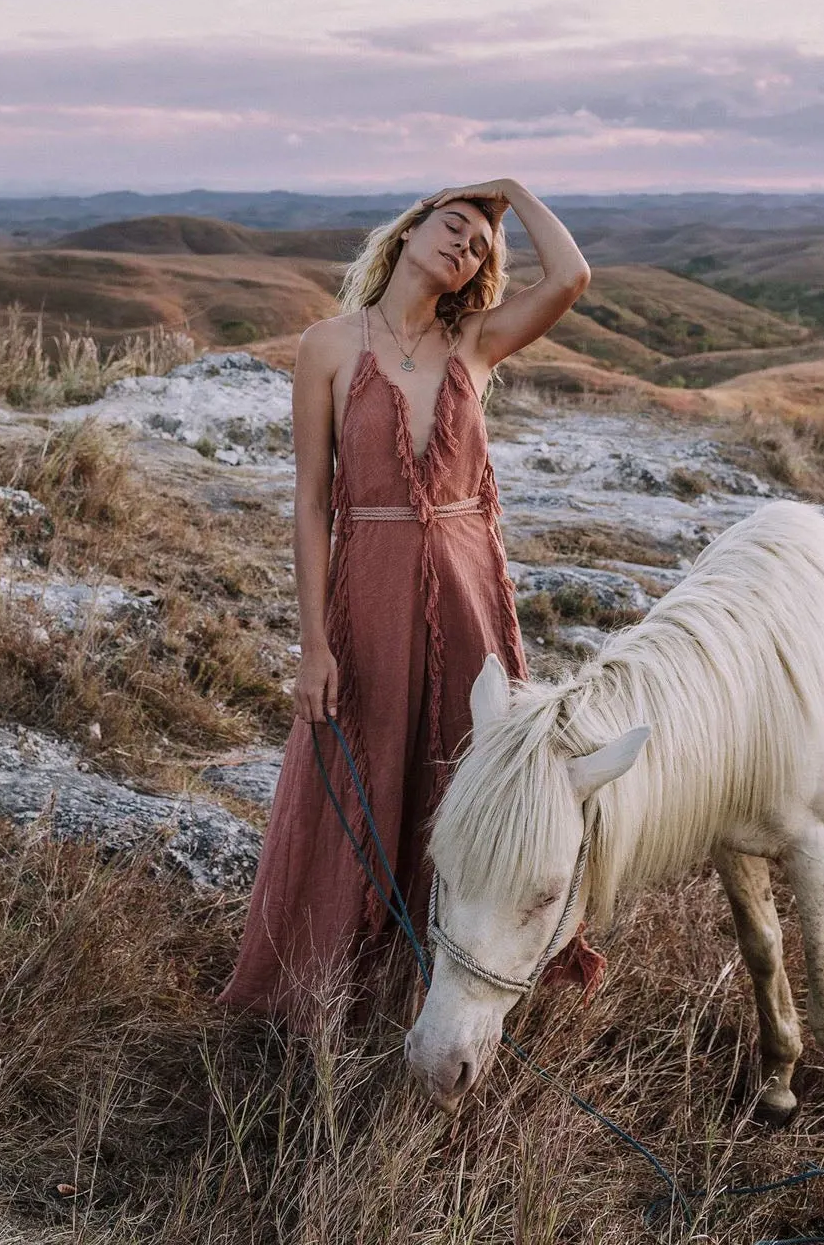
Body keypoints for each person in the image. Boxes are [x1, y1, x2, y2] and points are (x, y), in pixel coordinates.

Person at [220, 178, 592, 1020]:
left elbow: (570, 278)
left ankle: (451, 984)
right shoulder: (326, 343)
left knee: (465, 771)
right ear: (410, 229)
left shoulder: (476, 343)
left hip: (467, 586)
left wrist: (512, 194)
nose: (464, 244)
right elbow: (312, 504)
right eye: (452, 225)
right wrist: (315, 644)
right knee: (368, 762)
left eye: (477, 249)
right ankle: (330, 985)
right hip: (372, 583)